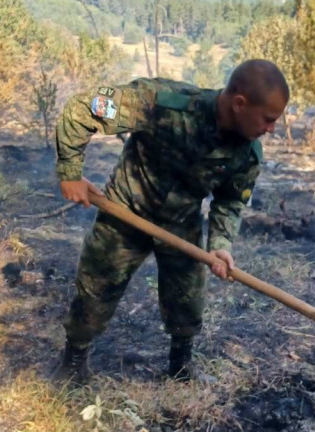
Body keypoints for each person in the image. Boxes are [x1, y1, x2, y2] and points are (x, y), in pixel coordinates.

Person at [51, 59, 289, 383]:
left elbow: (230, 201)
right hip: (126, 210)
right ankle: (73, 361)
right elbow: (83, 109)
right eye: (269, 119)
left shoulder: (246, 155)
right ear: (239, 104)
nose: (271, 129)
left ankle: (180, 367)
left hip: (179, 221)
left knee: (187, 300)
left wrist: (219, 246)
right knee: (96, 290)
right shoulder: (163, 104)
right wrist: (70, 174)